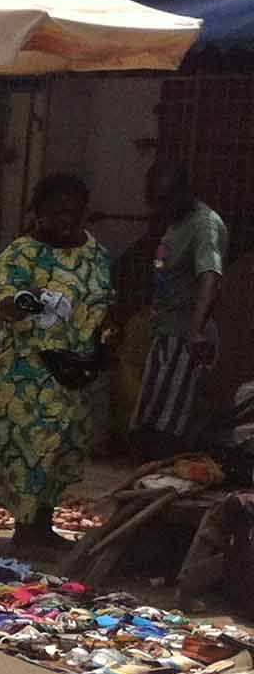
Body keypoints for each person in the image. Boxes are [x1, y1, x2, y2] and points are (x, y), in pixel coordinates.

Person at [0, 172, 116, 554]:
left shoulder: (95, 253)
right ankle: (26, 531)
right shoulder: (21, 254)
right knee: (30, 450)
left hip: (75, 371)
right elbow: (4, 299)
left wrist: (102, 344)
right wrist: (31, 299)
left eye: (73, 212)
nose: (65, 220)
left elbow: (105, 301)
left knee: (63, 450)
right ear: (39, 213)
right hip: (29, 374)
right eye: (56, 212)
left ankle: (44, 525)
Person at [132, 162, 226, 455]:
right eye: (155, 200)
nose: (160, 207)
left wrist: (196, 330)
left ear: (184, 193)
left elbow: (210, 277)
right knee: (148, 421)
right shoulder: (177, 222)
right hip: (165, 332)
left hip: (183, 338)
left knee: (167, 428)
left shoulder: (204, 225)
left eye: (166, 199)